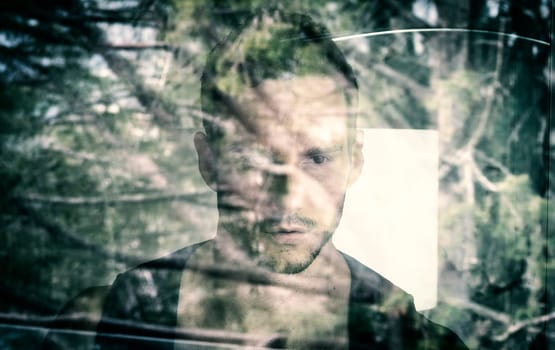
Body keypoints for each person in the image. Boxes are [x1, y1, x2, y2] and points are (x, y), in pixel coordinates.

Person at [86, 10, 466, 350]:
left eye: (317, 158)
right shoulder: (110, 322)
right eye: (253, 159)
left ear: (355, 160)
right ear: (208, 162)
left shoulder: (413, 340)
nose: (289, 197)